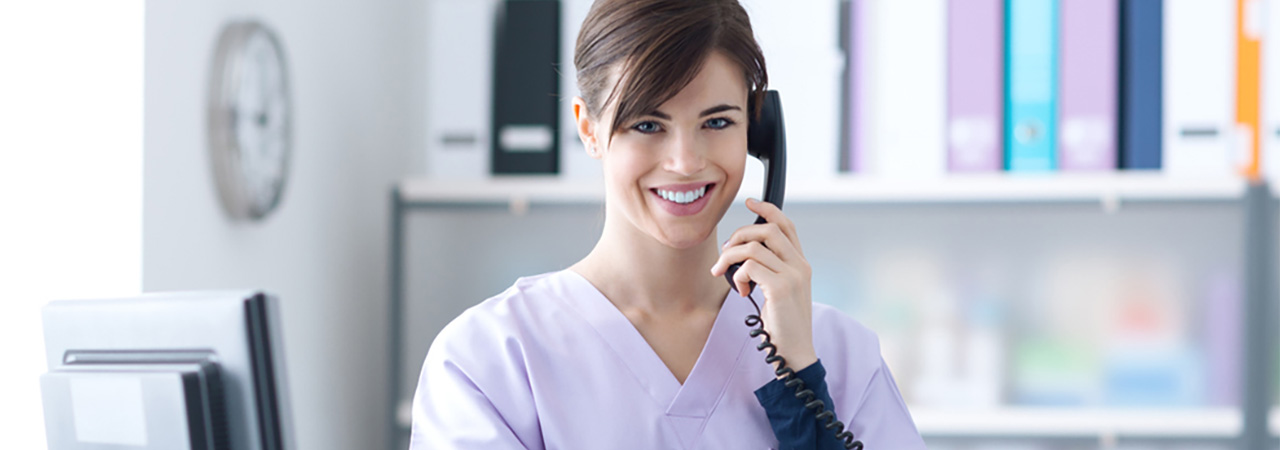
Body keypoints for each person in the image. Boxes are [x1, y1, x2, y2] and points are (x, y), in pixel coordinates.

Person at [410, 0, 926, 448]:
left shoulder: (837, 352)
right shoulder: (489, 358)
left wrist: (800, 379)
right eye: (648, 125)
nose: (685, 160)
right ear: (589, 128)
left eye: (717, 122)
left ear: (759, 129)